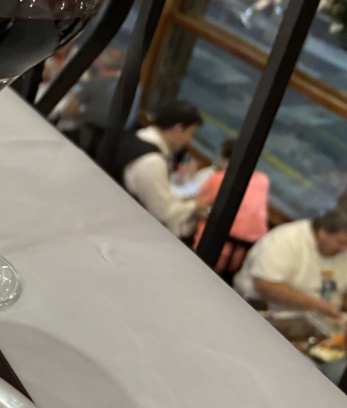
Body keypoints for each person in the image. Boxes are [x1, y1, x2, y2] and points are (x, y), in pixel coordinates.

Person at [114, 99, 204, 238]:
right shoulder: (153, 161)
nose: (188, 140)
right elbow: (163, 212)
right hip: (123, 227)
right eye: (190, 133)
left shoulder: (137, 136)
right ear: (178, 128)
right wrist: (195, 206)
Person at [234, 208, 347, 317]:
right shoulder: (286, 239)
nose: (344, 249)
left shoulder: (343, 252)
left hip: (317, 318)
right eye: (341, 243)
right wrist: (317, 305)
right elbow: (265, 285)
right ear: (323, 233)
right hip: (260, 310)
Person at [192, 139, 271, 273]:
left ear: (222, 157)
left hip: (210, 252)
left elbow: (196, 204)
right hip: (245, 260)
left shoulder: (219, 178)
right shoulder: (263, 180)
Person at [56, 47, 123, 153]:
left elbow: (68, 112)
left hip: (86, 139)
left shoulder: (94, 84)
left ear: (102, 63)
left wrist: (75, 93)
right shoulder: (133, 89)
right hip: (115, 144)